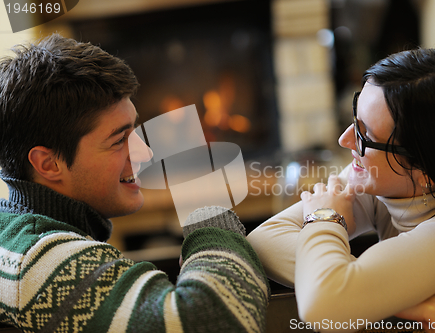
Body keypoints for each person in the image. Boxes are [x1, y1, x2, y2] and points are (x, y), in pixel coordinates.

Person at [0, 34, 269, 332]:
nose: (146, 152)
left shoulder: (14, 235)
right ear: (48, 164)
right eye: (118, 140)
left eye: (135, 130)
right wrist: (210, 218)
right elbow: (212, 321)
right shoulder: (38, 259)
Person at [247, 48, 435, 332]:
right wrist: (390, 294)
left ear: (425, 169)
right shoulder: (393, 181)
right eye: (355, 121)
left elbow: (322, 306)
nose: (345, 141)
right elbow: (261, 241)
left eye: (365, 136)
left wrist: (325, 216)